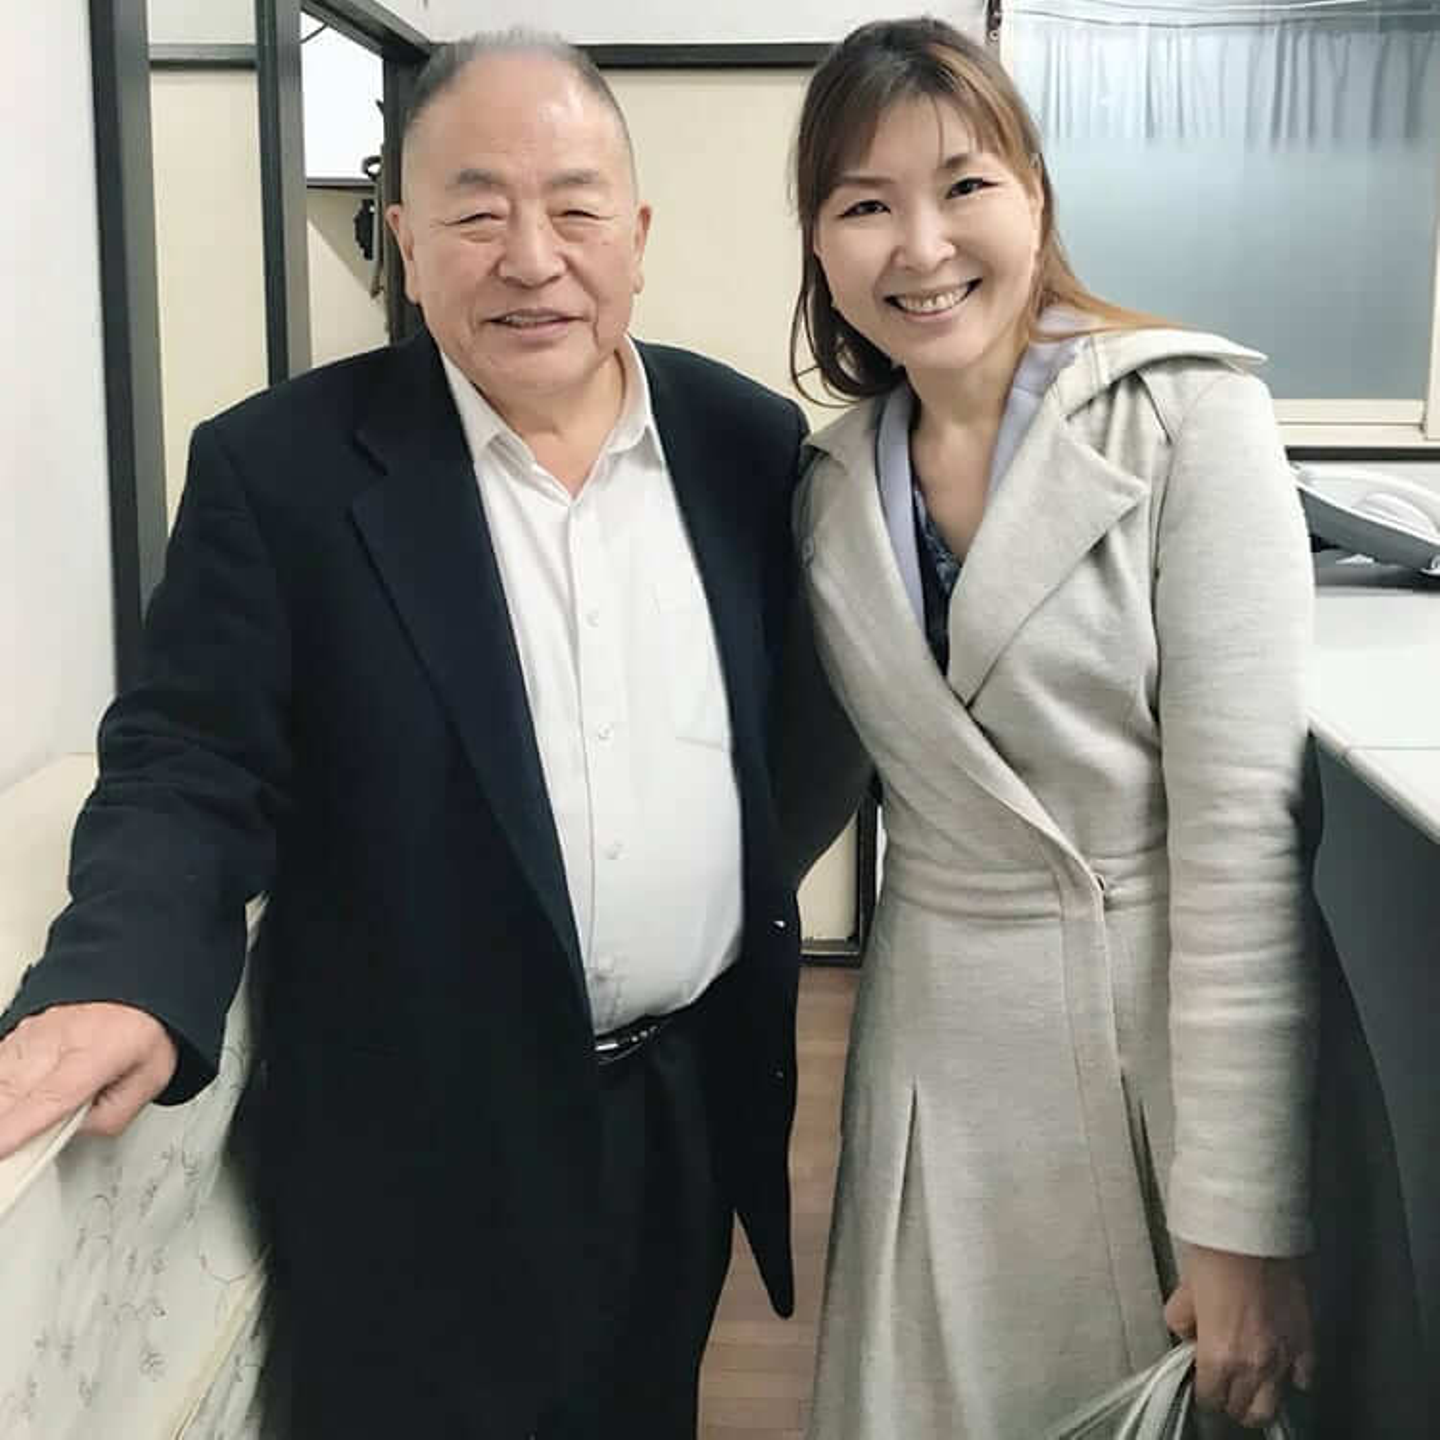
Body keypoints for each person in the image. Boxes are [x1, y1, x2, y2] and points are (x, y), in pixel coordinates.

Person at [0, 31, 819, 1439]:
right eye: (476, 210)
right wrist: (120, 972)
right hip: (416, 1144)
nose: (531, 256)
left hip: (677, 1109)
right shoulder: (281, 471)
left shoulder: (747, 446)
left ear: (637, 236)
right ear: (406, 244)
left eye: (573, 207)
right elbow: (189, 761)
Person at [789, 18, 1318, 1437]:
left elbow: (1242, 842)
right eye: (864, 205)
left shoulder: (1187, 417)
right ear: (821, 246)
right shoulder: (830, 487)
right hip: (935, 1068)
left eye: (964, 185)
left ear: (1033, 193)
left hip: (1155, 1048)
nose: (921, 246)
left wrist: (1241, 1219)